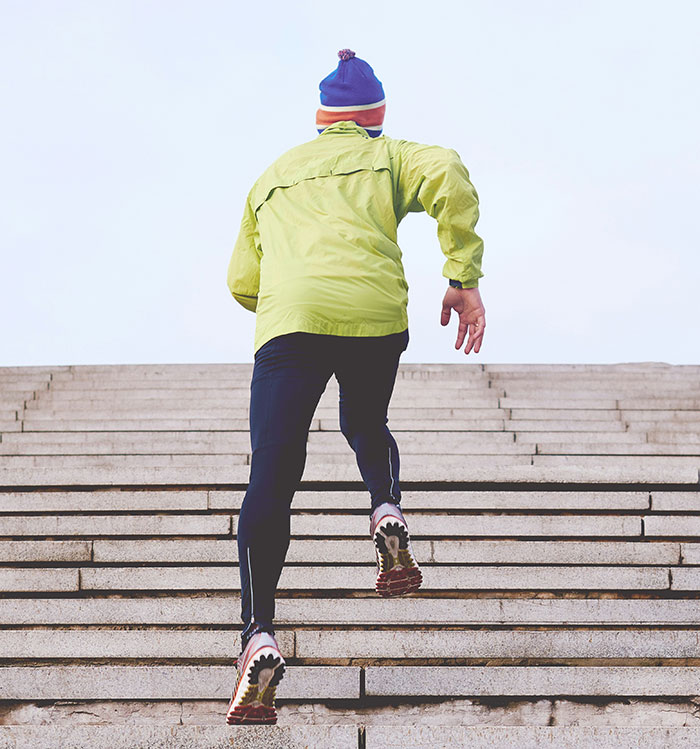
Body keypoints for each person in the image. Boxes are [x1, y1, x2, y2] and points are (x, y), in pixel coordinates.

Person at [224, 49, 486, 725]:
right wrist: (462, 274)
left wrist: (293, 294)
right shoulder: (389, 153)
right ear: (375, 117)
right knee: (364, 423)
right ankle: (385, 508)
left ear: (320, 119)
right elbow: (448, 171)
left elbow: (241, 281)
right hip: (373, 315)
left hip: (291, 325)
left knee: (273, 473)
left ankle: (258, 631)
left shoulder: (272, 175)